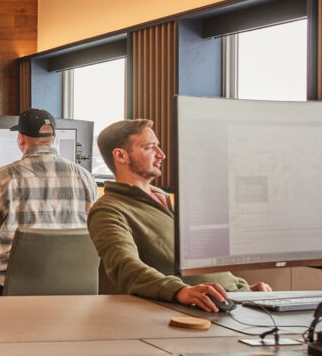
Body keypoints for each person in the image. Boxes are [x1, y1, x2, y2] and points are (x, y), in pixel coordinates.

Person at [87, 119, 271, 311]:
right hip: (201, 309)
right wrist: (179, 291)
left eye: (158, 146)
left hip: (235, 300)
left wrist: (243, 289)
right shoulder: (109, 210)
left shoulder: (167, 203)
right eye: (150, 148)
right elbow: (125, 267)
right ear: (121, 156)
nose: (161, 155)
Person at [0, 108, 99, 294]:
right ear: (54, 138)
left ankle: (1, 313)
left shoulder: (4, 176)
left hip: (19, 282)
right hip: (73, 281)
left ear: (21, 138)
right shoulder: (86, 177)